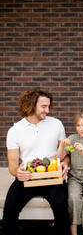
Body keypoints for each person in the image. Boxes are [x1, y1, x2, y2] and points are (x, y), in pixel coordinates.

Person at [2, 87, 71, 235]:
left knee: (61, 206)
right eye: (43, 106)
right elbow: (13, 163)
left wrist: (65, 163)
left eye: (48, 106)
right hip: (28, 176)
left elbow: (65, 153)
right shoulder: (15, 131)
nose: (47, 110)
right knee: (10, 209)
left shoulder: (56, 124)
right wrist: (18, 172)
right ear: (31, 105)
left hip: (53, 177)